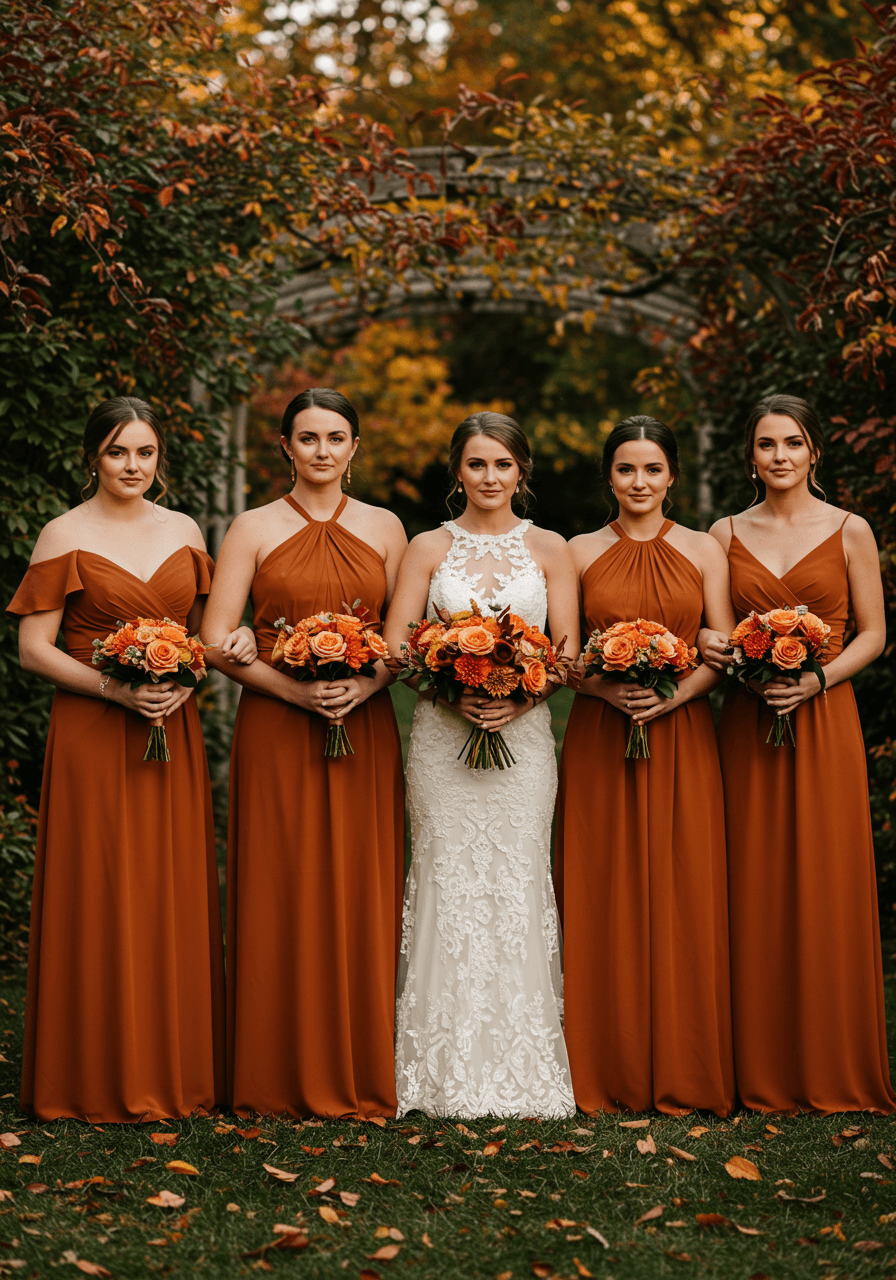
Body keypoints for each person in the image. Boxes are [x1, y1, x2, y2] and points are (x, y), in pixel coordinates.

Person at [7, 396, 254, 1121]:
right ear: (94, 457)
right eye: (117, 452)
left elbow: (204, 636)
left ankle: (175, 1068)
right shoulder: (63, 533)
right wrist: (114, 690)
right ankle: (88, 1073)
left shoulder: (182, 530)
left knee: (166, 885)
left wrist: (232, 644)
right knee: (101, 885)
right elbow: (32, 650)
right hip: (93, 729)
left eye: (144, 453)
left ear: (158, 459)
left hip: (169, 730)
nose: (132, 466)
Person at [202, 387, 407, 1118]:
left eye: (336, 437)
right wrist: (293, 691)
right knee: (280, 882)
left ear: (355, 448)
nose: (323, 450)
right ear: (285, 447)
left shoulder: (386, 527)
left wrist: (367, 683)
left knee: (360, 883)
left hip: (364, 725)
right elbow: (215, 638)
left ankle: (360, 1057)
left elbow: (406, 637)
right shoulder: (252, 527)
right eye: (309, 437)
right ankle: (273, 1069)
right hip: (277, 726)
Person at [699, 394, 894, 1114]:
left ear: (814, 452)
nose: (779, 456)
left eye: (791, 443)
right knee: (750, 879)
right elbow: (713, 631)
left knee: (824, 876)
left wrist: (817, 679)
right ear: (750, 457)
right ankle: (753, 1061)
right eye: (766, 444)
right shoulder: (723, 533)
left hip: (824, 718)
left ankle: (829, 1057)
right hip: (749, 723)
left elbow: (873, 634)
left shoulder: (849, 530)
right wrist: (728, 654)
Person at [386, 411, 579, 1118]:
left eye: (502, 464)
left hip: (523, 746)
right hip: (443, 742)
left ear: (521, 470)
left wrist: (520, 700)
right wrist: (449, 690)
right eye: (477, 464)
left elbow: (568, 652)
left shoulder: (552, 549)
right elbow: (397, 646)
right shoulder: (427, 547)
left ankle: (524, 1064)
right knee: (447, 878)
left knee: (517, 878)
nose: (490, 477)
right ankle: (434, 1067)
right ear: (457, 471)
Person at [555, 415, 735, 1115]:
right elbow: (563, 657)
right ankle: (605, 1062)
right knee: (603, 886)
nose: (639, 481)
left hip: (683, 734)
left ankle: (685, 1061)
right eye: (626, 469)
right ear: (609, 476)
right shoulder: (577, 550)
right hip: (601, 735)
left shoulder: (703, 547)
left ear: (672, 477)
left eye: (652, 469)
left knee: (682, 886)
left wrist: (674, 696)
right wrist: (606, 688)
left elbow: (721, 646)